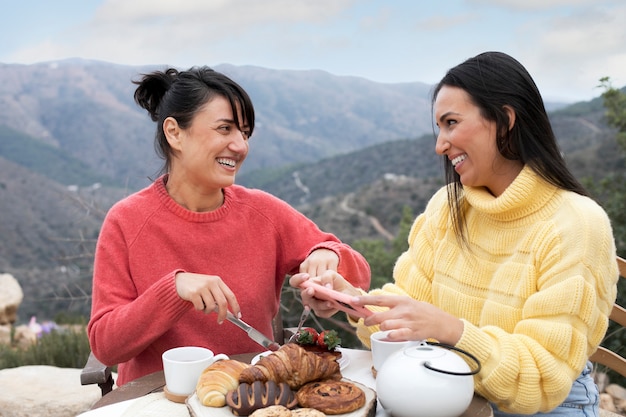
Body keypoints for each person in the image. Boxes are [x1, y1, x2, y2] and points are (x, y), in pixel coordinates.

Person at [290, 52, 619, 416]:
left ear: (505, 120)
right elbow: (412, 311)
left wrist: (449, 329)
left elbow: (541, 380)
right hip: (442, 386)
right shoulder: (448, 208)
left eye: (451, 123)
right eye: (439, 127)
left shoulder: (575, 224)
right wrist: (351, 301)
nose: (440, 145)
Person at [87, 66, 371, 386]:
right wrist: (173, 290)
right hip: (161, 400)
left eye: (245, 133)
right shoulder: (126, 221)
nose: (240, 146)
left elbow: (357, 272)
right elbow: (105, 346)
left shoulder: (264, 212)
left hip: (251, 397)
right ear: (174, 132)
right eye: (225, 129)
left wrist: (328, 256)